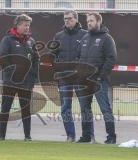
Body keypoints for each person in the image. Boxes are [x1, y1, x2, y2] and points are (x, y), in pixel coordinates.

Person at [53, 10, 95, 143]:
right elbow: (52, 54)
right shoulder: (58, 36)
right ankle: (70, 135)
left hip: (81, 78)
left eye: (70, 18)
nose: (67, 21)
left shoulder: (85, 35)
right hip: (64, 78)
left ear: (76, 19)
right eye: (65, 19)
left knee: (85, 107)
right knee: (65, 108)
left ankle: (89, 136)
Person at [0, 14, 39, 141]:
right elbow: (3, 58)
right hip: (11, 81)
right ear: (18, 25)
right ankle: (1, 135)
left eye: (28, 25)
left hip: (26, 82)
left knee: (26, 109)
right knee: (5, 108)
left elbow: (36, 58)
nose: (27, 28)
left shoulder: (31, 41)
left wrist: (33, 74)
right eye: (25, 25)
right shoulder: (7, 39)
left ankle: (28, 136)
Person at [79, 12, 117, 144]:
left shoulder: (107, 39)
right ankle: (86, 136)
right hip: (84, 82)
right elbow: (79, 58)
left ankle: (111, 137)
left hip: (99, 81)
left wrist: (101, 77)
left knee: (105, 109)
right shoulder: (84, 38)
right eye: (88, 21)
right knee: (85, 109)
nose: (89, 23)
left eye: (91, 21)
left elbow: (111, 59)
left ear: (98, 21)